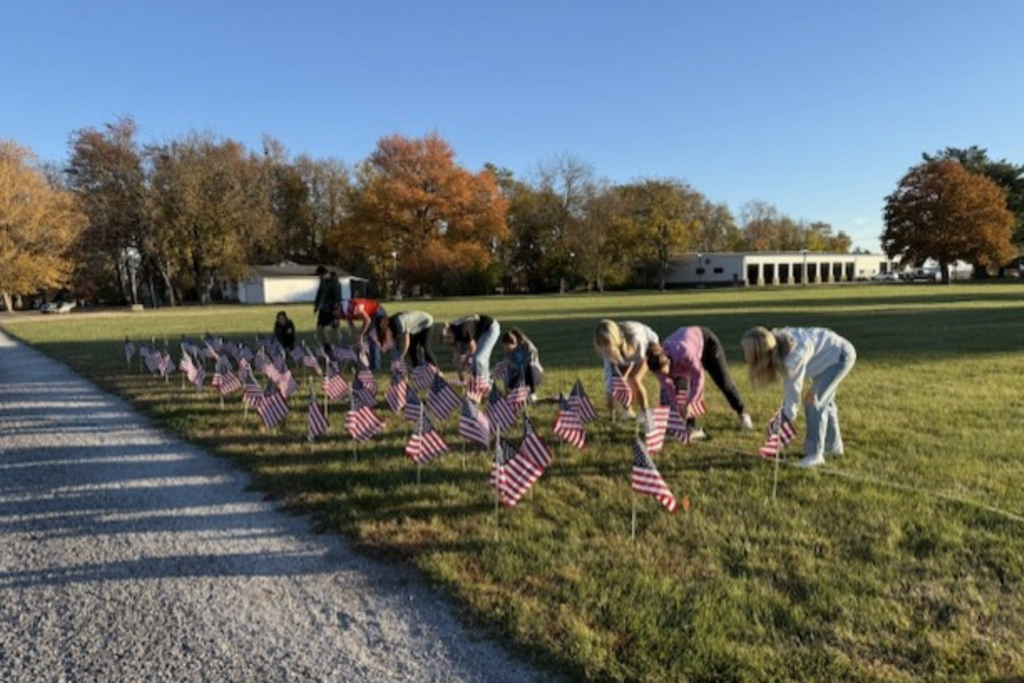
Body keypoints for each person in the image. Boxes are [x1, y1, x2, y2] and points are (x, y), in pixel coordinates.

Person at [741, 326, 856, 468]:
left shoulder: (792, 358)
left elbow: (793, 398)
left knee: (813, 400)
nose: (745, 357)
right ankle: (833, 447)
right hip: (830, 354)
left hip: (840, 356)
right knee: (825, 402)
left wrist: (782, 423)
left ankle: (815, 454)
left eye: (748, 353)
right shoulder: (777, 343)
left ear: (761, 354)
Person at [646, 326, 753, 440]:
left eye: (664, 371)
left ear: (667, 361)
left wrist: (690, 403)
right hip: (684, 353)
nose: (664, 375)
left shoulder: (685, 353)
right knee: (682, 389)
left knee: (724, 382)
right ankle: (690, 427)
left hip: (707, 345)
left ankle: (742, 413)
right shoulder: (657, 366)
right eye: (659, 373)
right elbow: (669, 389)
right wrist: (678, 408)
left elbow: (699, 378)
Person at [593, 320, 658, 416]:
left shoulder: (635, 337)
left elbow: (637, 358)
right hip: (626, 353)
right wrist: (610, 392)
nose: (604, 348)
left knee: (633, 379)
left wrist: (626, 374)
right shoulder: (606, 350)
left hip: (648, 346)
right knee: (619, 382)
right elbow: (609, 375)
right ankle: (628, 411)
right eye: (600, 343)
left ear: (613, 339)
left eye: (606, 343)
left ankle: (645, 412)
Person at [442, 315, 501, 382]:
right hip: (477, 331)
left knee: (478, 358)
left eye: (449, 339)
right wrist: (460, 373)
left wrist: (465, 362)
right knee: (475, 358)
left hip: (490, 328)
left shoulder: (463, 331)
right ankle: (485, 380)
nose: (449, 342)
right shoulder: (451, 334)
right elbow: (456, 356)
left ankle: (482, 382)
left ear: (450, 333)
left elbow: (473, 348)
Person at [341, 297, 387, 370]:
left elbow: (368, 320)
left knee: (372, 339)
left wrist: (361, 334)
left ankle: (375, 367)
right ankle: (362, 362)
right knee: (365, 339)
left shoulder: (354, 308)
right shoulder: (345, 312)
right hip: (370, 315)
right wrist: (358, 340)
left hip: (377, 312)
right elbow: (352, 327)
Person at [500, 327, 544, 401]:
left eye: (508, 347)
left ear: (514, 343)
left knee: (527, 366)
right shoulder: (507, 354)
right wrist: (507, 388)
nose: (507, 350)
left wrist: (518, 371)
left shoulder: (528, 347)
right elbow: (507, 371)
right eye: (505, 348)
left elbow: (530, 363)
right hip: (518, 376)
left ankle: (532, 394)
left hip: (533, 374)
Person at [312, 266, 341, 349]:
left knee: (334, 330)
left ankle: (338, 349)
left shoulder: (335, 283)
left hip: (332, 310)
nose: (319, 277)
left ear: (324, 273)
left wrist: (335, 311)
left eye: (320, 275)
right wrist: (316, 306)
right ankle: (326, 346)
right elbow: (319, 293)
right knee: (319, 329)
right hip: (323, 309)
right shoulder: (322, 281)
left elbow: (337, 298)